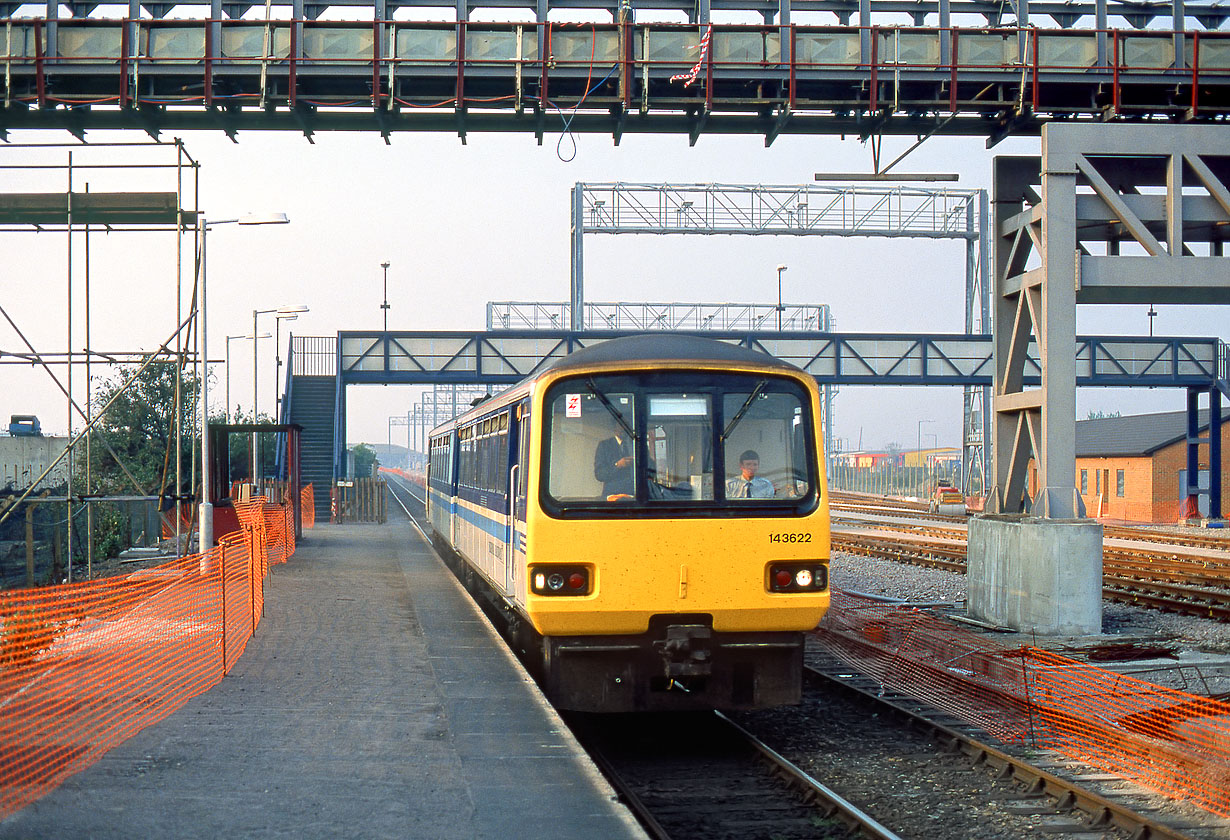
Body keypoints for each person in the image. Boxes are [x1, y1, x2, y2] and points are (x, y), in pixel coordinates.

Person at [594, 431, 634, 498]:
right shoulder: (604, 445)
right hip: (612, 497)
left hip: (635, 496)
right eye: (620, 426)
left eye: (626, 425)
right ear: (615, 427)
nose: (623, 429)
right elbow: (599, 474)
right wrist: (617, 465)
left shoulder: (637, 445)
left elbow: (649, 469)